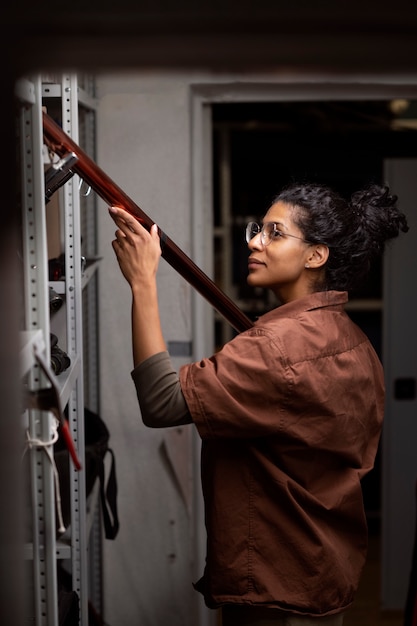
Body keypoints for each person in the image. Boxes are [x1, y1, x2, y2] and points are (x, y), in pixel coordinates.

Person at [108, 181, 409, 626]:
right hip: (323, 572)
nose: (253, 241)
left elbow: (161, 403)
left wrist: (141, 283)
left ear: (315, 255)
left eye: (275, 233)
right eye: (258, 229)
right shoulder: (354, 341)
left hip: (277, 588)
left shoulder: (276, 347)